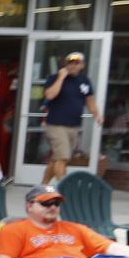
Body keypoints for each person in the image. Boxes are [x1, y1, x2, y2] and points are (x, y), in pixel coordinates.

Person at [0, 186, 113, 258]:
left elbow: (110, 247)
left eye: (56, 203)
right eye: (46, 203)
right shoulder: (13, 229)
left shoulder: (75, 228)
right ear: (29, 206)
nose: (53, 207)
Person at [39, 51, 101, 185]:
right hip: (56, 124)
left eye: (76, 63)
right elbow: (49, 95)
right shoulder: (55, 77)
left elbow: (89, 100)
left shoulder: (84, 80)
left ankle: (43, 186)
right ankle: (63, 189)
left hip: (73, 125)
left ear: (82, 65)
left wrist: (97, 114)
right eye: (70, 63)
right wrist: (61, 78)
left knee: (58, 159)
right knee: (63, 157)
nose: (72, 66)